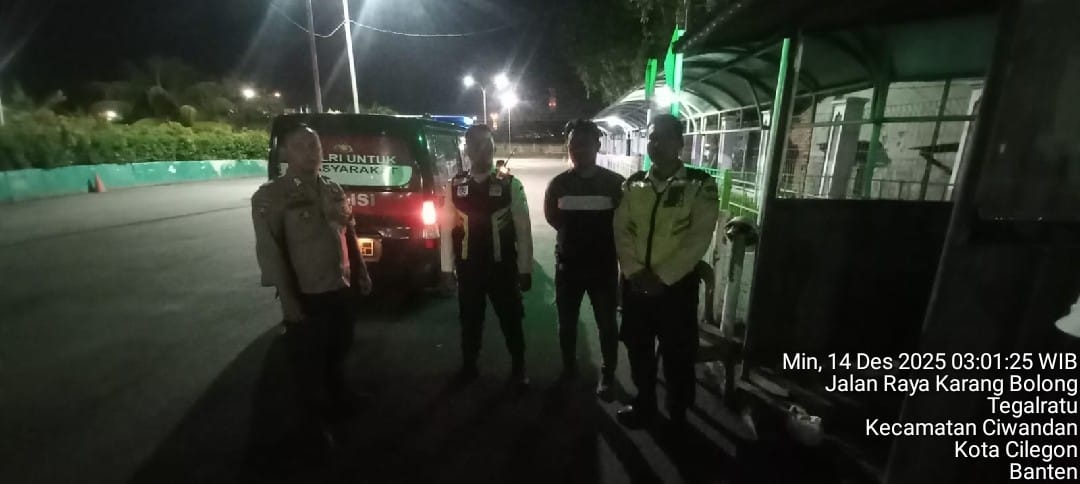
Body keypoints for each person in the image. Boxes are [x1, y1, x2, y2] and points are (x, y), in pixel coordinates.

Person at [251, 124, 372, 442]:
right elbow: (269, 251)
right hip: (306, 292)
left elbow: (348, 231)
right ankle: (311, 426)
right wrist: (288, 298)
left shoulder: (332, 188)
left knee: (339, 346)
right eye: (301, 146)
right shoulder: (271, 197)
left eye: (315, 145)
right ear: (285, 152)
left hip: (339, 285)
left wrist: (361, 270)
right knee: (307, 363)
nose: (311, 152)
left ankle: (339, 399)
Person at [612, 114, 719, 429]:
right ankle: (644, 403)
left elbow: (698, 238)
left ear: (680, 143)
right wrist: (635, 272)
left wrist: (662, 277)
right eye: (652, 138)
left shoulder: (700, 184)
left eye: (664, 138)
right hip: (636, 285)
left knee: (678, 355)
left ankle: (678, 414)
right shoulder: (634, 184)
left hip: (676, 287)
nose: (656, 144)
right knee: (638, 349)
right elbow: (621, 231)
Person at [439, 124, 533, 387]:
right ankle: (469, 366)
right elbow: (446, 230)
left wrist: (525, 269)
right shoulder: (455, 186)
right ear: (467, 150)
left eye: (487, 144)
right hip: (468, 268)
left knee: (511, 319)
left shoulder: (510, 184)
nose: (483, 150)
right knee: (470, 319)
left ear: (494, 147)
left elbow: (523, 231)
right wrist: (446, 269)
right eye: (476, 145)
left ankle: (519, 368)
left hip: (503, 268)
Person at [544, 119, 625, 400]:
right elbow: (553, 218)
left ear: (597, 145)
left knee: (607, 324)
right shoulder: (558, 185)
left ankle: (608, 374)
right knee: (567, 323)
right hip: (568, 266)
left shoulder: (615, 184)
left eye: (584, 143)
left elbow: (623, 224)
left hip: (603, 267)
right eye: (573, 144)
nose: (578, 149)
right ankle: (570, 370)